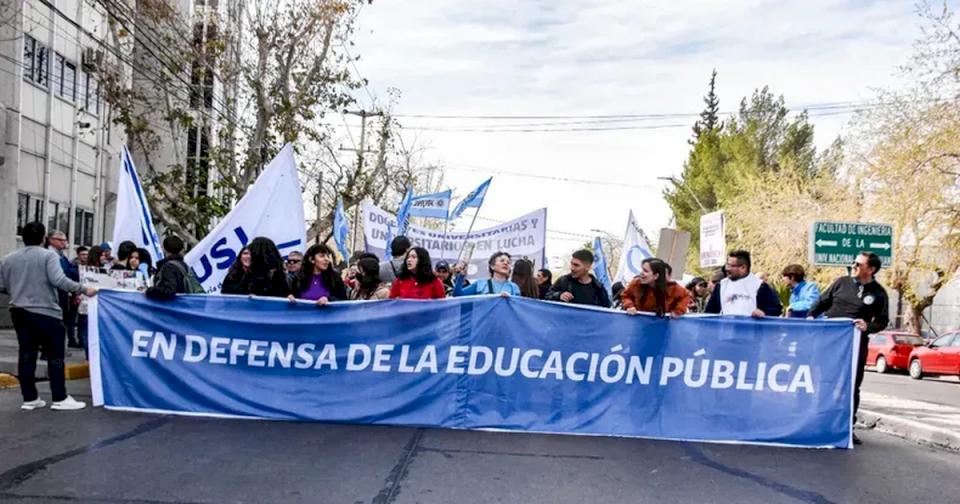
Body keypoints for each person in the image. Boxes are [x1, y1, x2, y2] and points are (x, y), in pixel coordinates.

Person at [0, 222, 97, 411]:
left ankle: (30, 398)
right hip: (46, 310)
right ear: (44, 239)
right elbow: (59, 280)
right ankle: (59, 397)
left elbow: (2, 286)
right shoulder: (48, 255)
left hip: (18, 310)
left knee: (27, 354)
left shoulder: (8, 258)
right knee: (55, 355)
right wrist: (84, 289)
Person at [808, 251, 889, 445]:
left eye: (858, 264)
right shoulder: (841, 283)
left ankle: (846, 428)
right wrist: (811, 316)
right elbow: (821, 303)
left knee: (852, 385)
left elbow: (883, 321)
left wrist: (867, 326)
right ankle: (818, 423)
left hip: (855, 345)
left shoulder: (878, 293)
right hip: (829, 343)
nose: (854, 266)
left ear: (871, 269)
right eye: (854, 263)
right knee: (825, 381)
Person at [704, 250, 782, 317]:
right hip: (726, 331)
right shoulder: (721, 286)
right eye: (727, 265)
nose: (727, 269)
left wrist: (764, 312)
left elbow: (776, 309)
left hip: (751, 332)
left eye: (731, 266)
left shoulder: (760, 286)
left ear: (743, 268)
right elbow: (710, 312)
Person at [220, 237, 292, 298]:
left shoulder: (278, 276)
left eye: (252, 252)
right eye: (245, 253)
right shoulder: (241, 276)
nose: (249, 256)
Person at [621, 258, 691, 318]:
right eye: (642, 270)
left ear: (656, 276)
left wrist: (678, 311)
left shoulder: (673, 288)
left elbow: (686, 295)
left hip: (662, 325)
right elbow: (625, 295)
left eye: (646, 271)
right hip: (638, 322)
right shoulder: (635, 283)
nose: (641, 273)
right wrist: (629, 306)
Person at [545, 250, 612, 308]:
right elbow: (546, 297)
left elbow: (605, 310)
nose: (572, 268)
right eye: (571, 264)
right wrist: (558, 296)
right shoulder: (563, 281)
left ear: (587, 267)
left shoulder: (599, 288)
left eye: (576, 265)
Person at [453, 252, 521, 297]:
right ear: (492, 266)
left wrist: (510, 300)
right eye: (502, 261)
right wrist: (461, 275)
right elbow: (457, 295)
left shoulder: (514, 288)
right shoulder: (480, 284)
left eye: (508, 262)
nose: (506, 263)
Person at [145, 236, 193, 301]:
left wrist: (148, 291)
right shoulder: (183, 265)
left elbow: (168, 290)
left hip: (172, 307)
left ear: (163, 249)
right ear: (181, 250)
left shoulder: (168, 267)